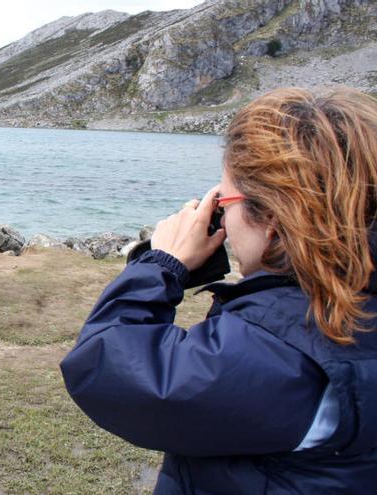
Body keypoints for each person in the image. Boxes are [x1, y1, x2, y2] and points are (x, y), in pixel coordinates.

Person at [61, 87, 377, 493]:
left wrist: (164, 263)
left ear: (275, 216)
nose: (222, 217)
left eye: (224, 200)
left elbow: (106, 364)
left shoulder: (279, 351)